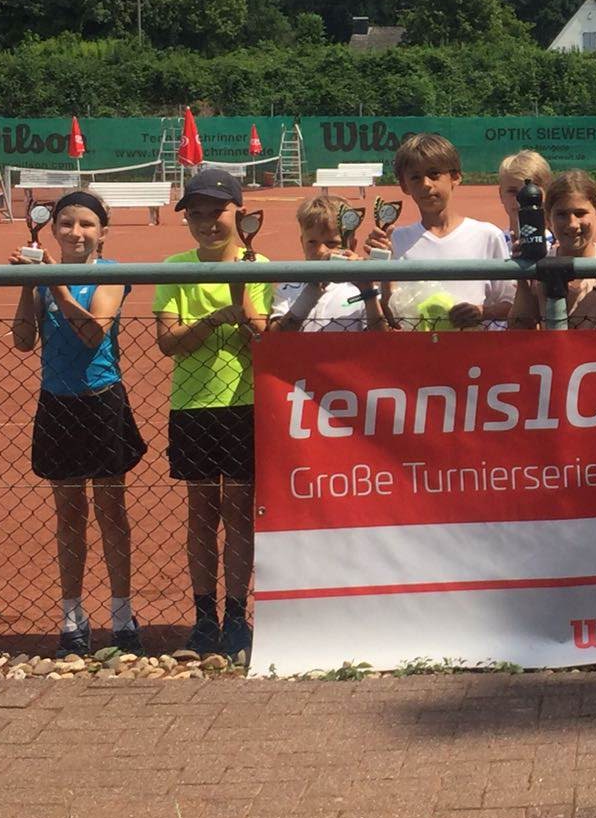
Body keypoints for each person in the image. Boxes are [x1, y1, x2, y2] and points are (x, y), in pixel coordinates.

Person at [9, 190, 147, 658]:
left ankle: (122, 613)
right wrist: (28, 284)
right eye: (66, 223)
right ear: (52, 230)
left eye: (87, 224)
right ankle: (72, 615)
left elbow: (92, 333)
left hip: (102, 402)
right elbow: (23, 342)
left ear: (103, 233)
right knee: (69, 514)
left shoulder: (111, 274)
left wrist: (56, 283)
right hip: (57, 404)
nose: (76, 232)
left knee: (111, 511)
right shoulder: (43, 280)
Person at [152, 168, 272, 659]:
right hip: (192, 406)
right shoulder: (173, 268)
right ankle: (204, 617)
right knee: (201, 513)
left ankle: (236, 616)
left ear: (239, 214)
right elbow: (168, 341)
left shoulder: (259, 265)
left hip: (244, 403)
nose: (207, 222)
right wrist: (216, 317)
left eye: (217, 212)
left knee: (240, 512)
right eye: (196, 214)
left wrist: (240, 299)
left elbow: (259, 337)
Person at [365, 133, 514, 330]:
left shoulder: (488, 235)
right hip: (419, 347)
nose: (426, 184)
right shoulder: (396, 241)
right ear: (404, 185)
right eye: (415, 177)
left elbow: (510, 304)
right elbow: (392, 315)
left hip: (474, 347)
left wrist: (482, 312)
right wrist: (382, 264)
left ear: (455, 177)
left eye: (434, 174)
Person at [508, 170, 596, 329]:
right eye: (562, 214)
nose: (572, 224)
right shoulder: (542, 264)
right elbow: (519, 327)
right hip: (556, 346)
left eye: (580, 213)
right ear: (548, 218)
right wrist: (522, 276)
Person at [268, 195, 389, 333]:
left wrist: (367, 292)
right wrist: (311, 291)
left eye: (332, 243)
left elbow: (381, 340)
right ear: (302, 243)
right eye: (312, 242)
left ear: (352, 245)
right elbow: (276, 339)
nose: (321, 250)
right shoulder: (289, 287)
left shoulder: (362, 289)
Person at [496, 149, 553, 247]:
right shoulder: (494, 245)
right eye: (512, 191)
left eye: (532, 191)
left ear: (547, 192)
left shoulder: (561, 246)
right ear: (501, 195)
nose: (522, 199)